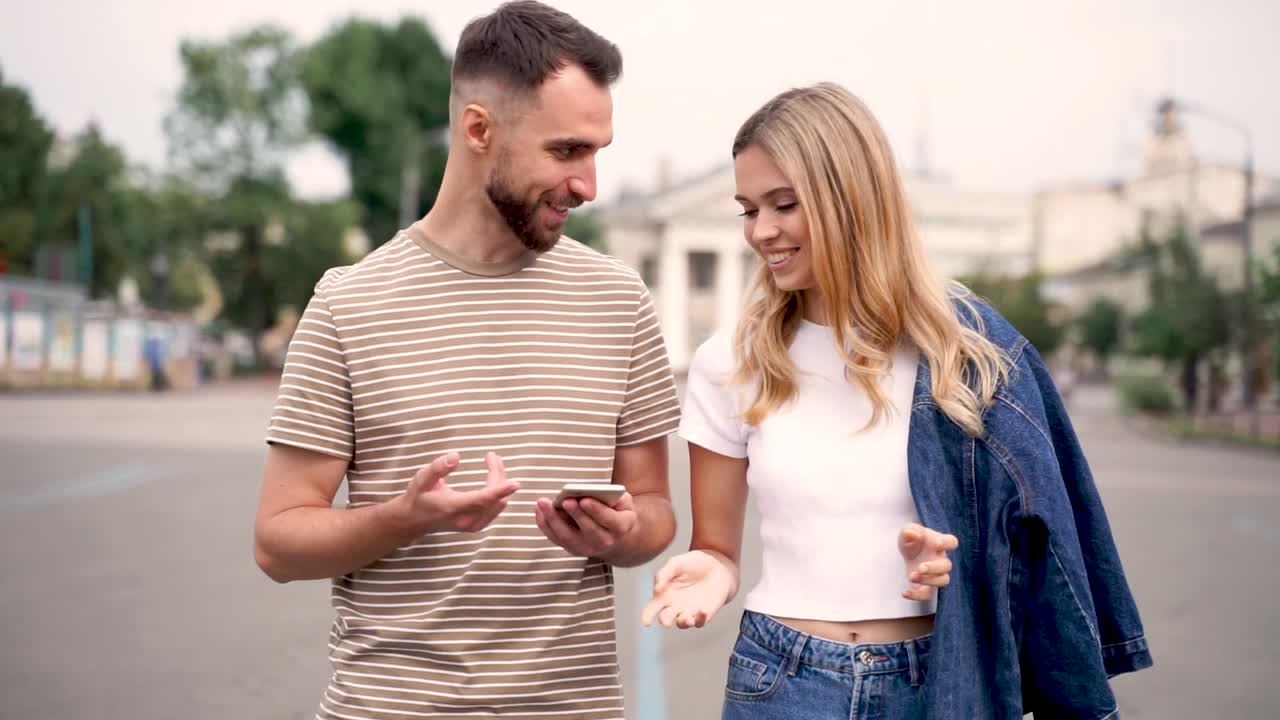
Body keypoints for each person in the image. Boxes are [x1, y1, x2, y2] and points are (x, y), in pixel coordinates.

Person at [642, 83, 1151, 719]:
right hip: (781, 681)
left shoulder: (969, 353)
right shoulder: (730, 360)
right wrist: (710, 571)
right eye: (748, 210)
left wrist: (954, 562)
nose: (761, 231)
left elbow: (1041, 540)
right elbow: (717, 548)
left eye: (784, 204)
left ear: (852, 199)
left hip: (938, 680)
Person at [252, 3, 681, 718]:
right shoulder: (348, 304)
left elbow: (657, 511)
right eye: (566, 152)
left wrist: (625, 532)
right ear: (479, 129)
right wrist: (403, 517)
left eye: (597, 152)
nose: (589, 185)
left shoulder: (618, 300)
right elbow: (278, 543)